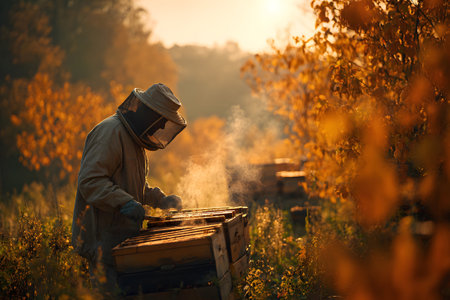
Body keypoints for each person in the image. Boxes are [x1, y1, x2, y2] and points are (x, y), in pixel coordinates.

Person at [71, 83, 186, 295]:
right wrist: (124, 202)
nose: (160, 129)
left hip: (121, 242)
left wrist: (160, 200)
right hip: (102, 242)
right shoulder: (110, 132)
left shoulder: (134, 140)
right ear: (148, 114)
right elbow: (90, 181)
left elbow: (135, 186)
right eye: (160, 121)